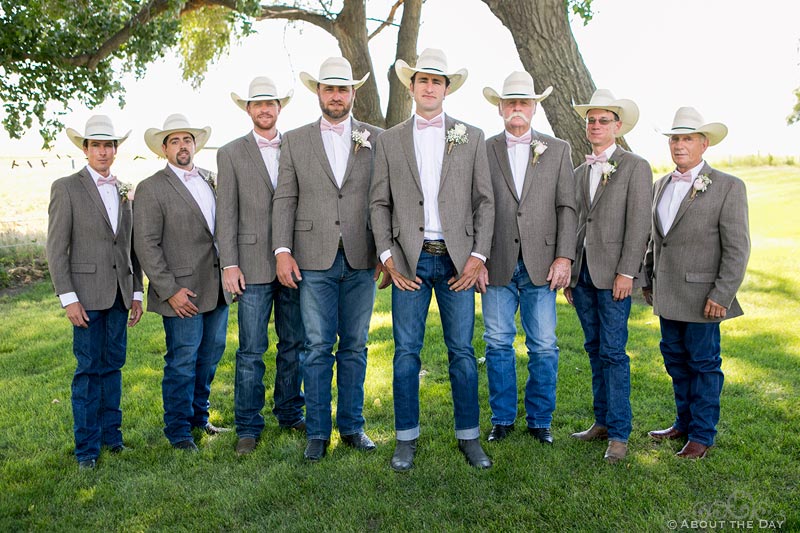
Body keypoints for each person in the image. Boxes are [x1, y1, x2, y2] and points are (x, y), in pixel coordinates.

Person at [370, 48, 494, 471]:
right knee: (406, 352)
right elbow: (379, 203)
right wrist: (388, 257)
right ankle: (405, 439)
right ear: (411, 86)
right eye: (422, 80)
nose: (429, 87)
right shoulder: (389, 140)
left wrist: (477, 257)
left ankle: (469, 437)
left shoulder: (471, 135)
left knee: (461, 350)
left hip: (459, 262)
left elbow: (485, 202)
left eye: (436, 81)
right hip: (410, 261)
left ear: (446, 89)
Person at [272, 57, 387, 462]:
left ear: (353, 93)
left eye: (342, 89)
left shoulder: (377, 138)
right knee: (317, 347)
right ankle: (318, 433)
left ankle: (352, 427)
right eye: (328, 89)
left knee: (355, 346)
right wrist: (282, 251)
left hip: (362, 258)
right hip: (312, 258)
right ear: (317, 93)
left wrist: (386, 252)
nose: (336, 96)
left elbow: (384, 199)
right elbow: (285, 198)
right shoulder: (296, 140)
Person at [644, 107, 750, 459]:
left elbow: (737, 248)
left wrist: (722, 293)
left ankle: (701, 436)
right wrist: (647, 278)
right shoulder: (660, 185)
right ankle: (683, 424)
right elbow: (655, 240)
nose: (679, 145)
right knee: (675, 360)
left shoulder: (728, 187)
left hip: (704, 296)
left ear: (704, 144)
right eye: (674, 138)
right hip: (667, 293)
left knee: (704, 364)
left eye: (687, 138)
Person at [479, 71, 577, 447]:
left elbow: (567, 208)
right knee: (498, 343)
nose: (517, 107)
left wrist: (564, 256)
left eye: (524, 102)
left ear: (534, 108)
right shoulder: (483, 149)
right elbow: (476, 207)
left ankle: (539, 419)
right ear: (501, 107)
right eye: (510, 102)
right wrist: (477, 257)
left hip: (542, 263)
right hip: (496, 262)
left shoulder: (557, 149)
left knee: (544, 345)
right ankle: (502, 418)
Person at [47, 115, 143, 469]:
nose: (103, 151)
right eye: (96, 145)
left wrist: (136, 292)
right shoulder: (66, 187)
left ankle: (112, 438)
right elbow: (56, 249)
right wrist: (67, 297)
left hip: (119, 295)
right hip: (85, 297)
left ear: (116, 150)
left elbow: (131, 247)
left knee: (113, 368)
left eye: (109, 145)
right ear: (85, 149)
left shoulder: (126, 189)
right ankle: (86, 448)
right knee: (88, 370)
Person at [217, 77, 306, 456]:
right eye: (258, 104)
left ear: (279, 108)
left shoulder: (299, 146)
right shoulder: (231, 152)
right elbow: (226, 213)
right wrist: (229, 264)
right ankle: (248, 426)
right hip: (250, 265)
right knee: (251, 349)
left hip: (295, 261)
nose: (264, 109)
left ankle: (289, 411)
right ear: (248, 110)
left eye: (270, 103)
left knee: (294, 343)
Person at [563, 89, 652, 463]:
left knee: (614, 353)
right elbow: (574, 223)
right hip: (582, 276)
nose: (596, 126)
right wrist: (568, 270)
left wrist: (627, 271)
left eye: (603, 120)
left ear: (617, 126)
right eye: (591, 120)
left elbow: (639, 225)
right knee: (593, 349)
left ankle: (619, 433)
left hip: (616, 276)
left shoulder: (635, 166)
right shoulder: (580, 170)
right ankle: (601, 422)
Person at [134, 114, 232, 452]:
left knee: (210, 355)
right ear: (164, 149)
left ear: (195, 145)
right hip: (182, 292)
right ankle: (177, 430)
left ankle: (198, 418)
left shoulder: (211, 179)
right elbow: (146, 245)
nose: (182, 146)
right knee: (182, 360)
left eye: (187, 140)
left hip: (218, 287)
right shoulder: (151, 188)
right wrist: (169, 290)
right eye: (174, 141)